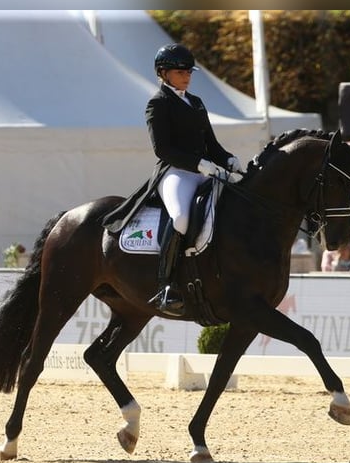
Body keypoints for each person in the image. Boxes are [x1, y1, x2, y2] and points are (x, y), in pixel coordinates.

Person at [101, 43, 245, 316]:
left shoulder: (197, 102)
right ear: (163, 73)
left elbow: (211, 144)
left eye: (188, 71)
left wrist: (228, 159)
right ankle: (166, 285)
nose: (186, 76)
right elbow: (162, 149)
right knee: (180, 218)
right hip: (176, 173)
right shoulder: (158, 103)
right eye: (180, 71)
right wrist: (198, 163)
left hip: (205, 171)